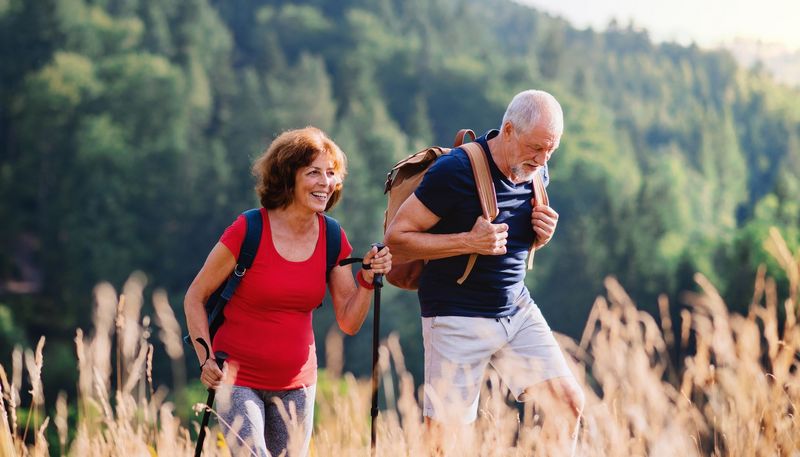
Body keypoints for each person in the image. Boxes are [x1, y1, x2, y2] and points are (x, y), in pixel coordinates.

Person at [384, 90, 584, 453]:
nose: (542, 160)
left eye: (550, 151)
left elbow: (512, 240)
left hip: (515, 309)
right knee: (446, 443)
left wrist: (543, 235)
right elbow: (397, 239)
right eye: (536, 148)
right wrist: (467, 242)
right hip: (455, 315)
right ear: (508, 130)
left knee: (567, 405)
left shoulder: (537, 170)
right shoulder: (455, 171)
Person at [184, 127, 392, 457]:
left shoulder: (333, 237)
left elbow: (349, 322)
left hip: (298, 385)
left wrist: (368, 278)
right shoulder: (248, 229)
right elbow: (195, 296)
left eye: (331, 173)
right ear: (287, 177)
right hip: (236, 379)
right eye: (313, 173)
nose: (326, 182)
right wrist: (205, 358)